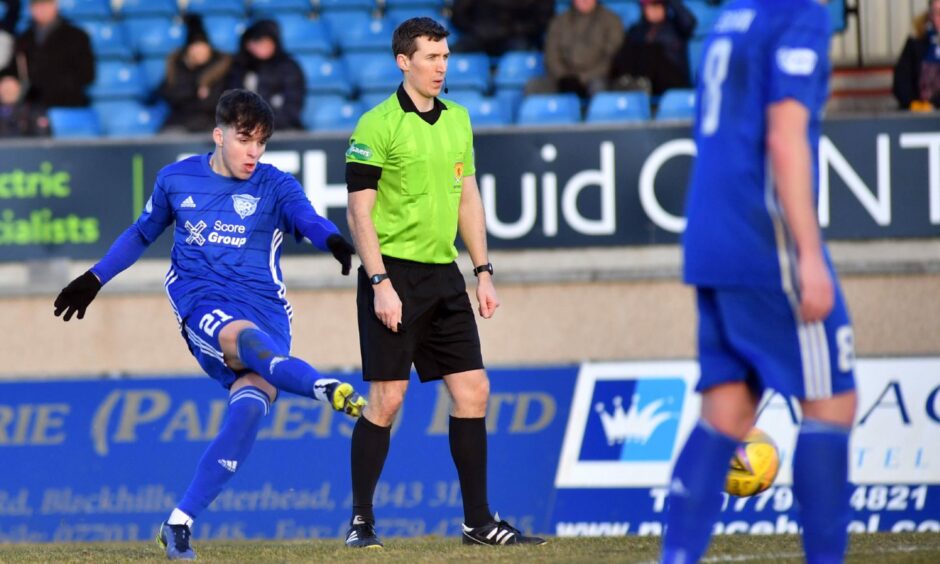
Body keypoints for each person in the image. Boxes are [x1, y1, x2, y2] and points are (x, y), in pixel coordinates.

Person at [52, 89, 366, 561]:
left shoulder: (275, 184)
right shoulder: (176, 179)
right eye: (245, 140)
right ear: (219, 135)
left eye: (261, 142)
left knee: (248, 411)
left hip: (267, 309)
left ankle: (178, 523)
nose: (254, 152)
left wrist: (334, 241)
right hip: (203, 303)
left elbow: (308, 218)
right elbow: (142, 233)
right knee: (243, 340)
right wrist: (95, 278)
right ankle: (320, 386)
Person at [661, 1, 857, 563]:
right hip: (760, 233)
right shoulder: (799, 14)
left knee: (725, 412)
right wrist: (809, 253)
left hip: (709, 230)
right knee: (833, 402)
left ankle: (675, 557)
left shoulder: (732, 14)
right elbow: (784, 138)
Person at [343, 17, 546, 549]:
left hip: (443, 275)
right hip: (392, 275)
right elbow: (358, 212)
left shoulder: (459, 119)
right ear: (403, 62)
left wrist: (482, 272)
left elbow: (468, 198)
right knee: (386, 401)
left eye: (446, 56)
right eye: (431, 57)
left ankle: (478, 522)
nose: (441, 66)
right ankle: (361, 522)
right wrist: (379, 281)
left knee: (474, 390)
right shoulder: (375, 124)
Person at [525, 0, 624, 99]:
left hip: (596, 78)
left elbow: (612, 57)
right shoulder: (559, 22)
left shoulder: (611, 20)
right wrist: (564, 77)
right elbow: (551, 56)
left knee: (599, 88)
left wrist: (583, 78)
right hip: (563, 78)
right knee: (534, 86)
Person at [8, 0, 94, 108]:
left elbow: (87, 75)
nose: (42, 10)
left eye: (46, 4)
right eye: (37, 5)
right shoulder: (24, 39)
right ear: (30, 9)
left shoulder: (77, 37)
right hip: (33, 105)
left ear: (55, 5)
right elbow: (15, 70)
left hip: (68, 104)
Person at [226, 19, 304, 131]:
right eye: (258, 41)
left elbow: (292, 107)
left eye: (267, 41)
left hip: (281, 131)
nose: (263, 46)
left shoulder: (289, 68)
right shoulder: (240, 68)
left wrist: (263, 125)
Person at [160, 14, 231, 132]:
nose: (199, 51)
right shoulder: (177, 67)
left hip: (212, 124)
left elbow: (217, 101)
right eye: (195, 46)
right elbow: (168, 94)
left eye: (203, 46)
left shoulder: (223, 67)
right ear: (188, 49)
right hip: (180, 122)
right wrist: (195, 90)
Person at [609, 0, 696, 95]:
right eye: (650, 6)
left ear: (664, 7)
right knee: (628, 51)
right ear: (644, 9)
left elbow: (689, 22)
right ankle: (627, 84)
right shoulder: (636, 31)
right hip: (644, 80)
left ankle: (640, 84)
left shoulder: (676, 27)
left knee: (652, 51)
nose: (654, 10)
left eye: (657, 5)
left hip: (672, 79)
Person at [451, 0, 555, 56]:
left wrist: (516, 29)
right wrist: (477, 28)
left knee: (521, 53)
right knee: (448, 55)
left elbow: (542, 20)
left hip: (517, 37)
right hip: (480, 35)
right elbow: (459, 13)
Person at [893, 0, 940, 110]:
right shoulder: (916, 42)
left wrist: (935, 104)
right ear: (931, 16)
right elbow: (901, 79)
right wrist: (912, 103)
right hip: (919, 115)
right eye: (938, 13)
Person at [0, 70, 45, 136]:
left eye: (11, 88)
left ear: (19, 89)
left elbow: (42, 138)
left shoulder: (33, 111)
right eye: (4, 87)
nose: (8, 91)